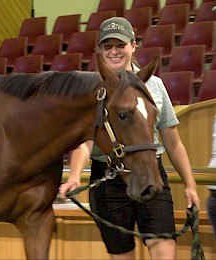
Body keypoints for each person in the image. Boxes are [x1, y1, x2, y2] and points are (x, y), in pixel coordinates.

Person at [59, 17, 201, 259]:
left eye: (120, 45)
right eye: (108, 46)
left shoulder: (154, 85)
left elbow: (173, 141)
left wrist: (190, 185)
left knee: (165, 251)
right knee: (122, 255)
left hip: (150, 172)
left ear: (133, 45)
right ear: (100, 50)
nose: (114, 51)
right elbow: (86, 143)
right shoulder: (92, 89)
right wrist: (74, 175)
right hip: (108, 180)